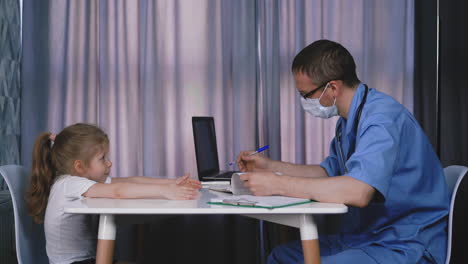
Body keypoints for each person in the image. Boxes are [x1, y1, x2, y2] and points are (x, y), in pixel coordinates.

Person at [237, 40, 449, 264]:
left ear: (333, 88)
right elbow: (329, 173)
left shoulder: (381, 120)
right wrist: (271, 167)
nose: (304, 101)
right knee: (282, 257)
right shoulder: (349, 120)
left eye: (306, 94)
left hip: (405, 243)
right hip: (367, 237)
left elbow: (358, 192)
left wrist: (278, 184)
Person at [26, 123, 202, 264]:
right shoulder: (69, 184)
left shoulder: (81, 182)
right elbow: (118, 191)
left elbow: (131, 181)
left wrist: (171, 183)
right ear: (79, 166)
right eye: (102, 158)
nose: (109, 163)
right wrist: (165, 192)